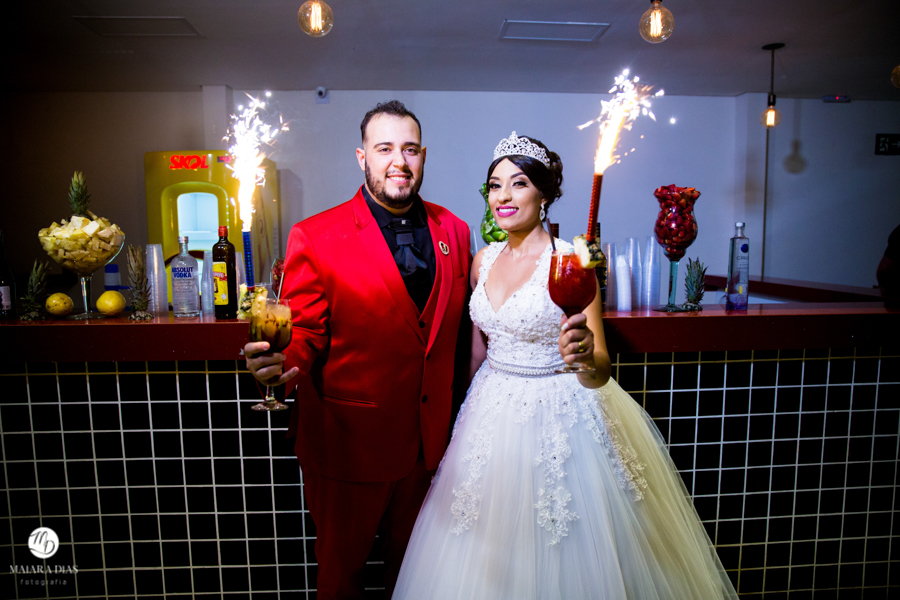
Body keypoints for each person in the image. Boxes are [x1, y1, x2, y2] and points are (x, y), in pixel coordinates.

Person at [392, 132, 739, 599]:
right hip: (489, 412)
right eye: (495, 185)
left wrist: (583, 355)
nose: (504, 196)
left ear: (544, 195)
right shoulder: (482, 261)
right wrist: (454, 420)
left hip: (559, 412)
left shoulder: (573, 260)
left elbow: (600, 369)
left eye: (519, 184)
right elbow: (477, 352)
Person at [244, 100, 471, 599]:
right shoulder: (316, 236)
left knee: (416, 580)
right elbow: (304, 331)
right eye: (384, 148)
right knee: (341, 578)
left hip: (429, 447)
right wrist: (281, 365)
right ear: (362, 157)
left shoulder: (455, 230)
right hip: (348, 445)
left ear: (423, 156)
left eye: (410, 149)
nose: (399, 161)